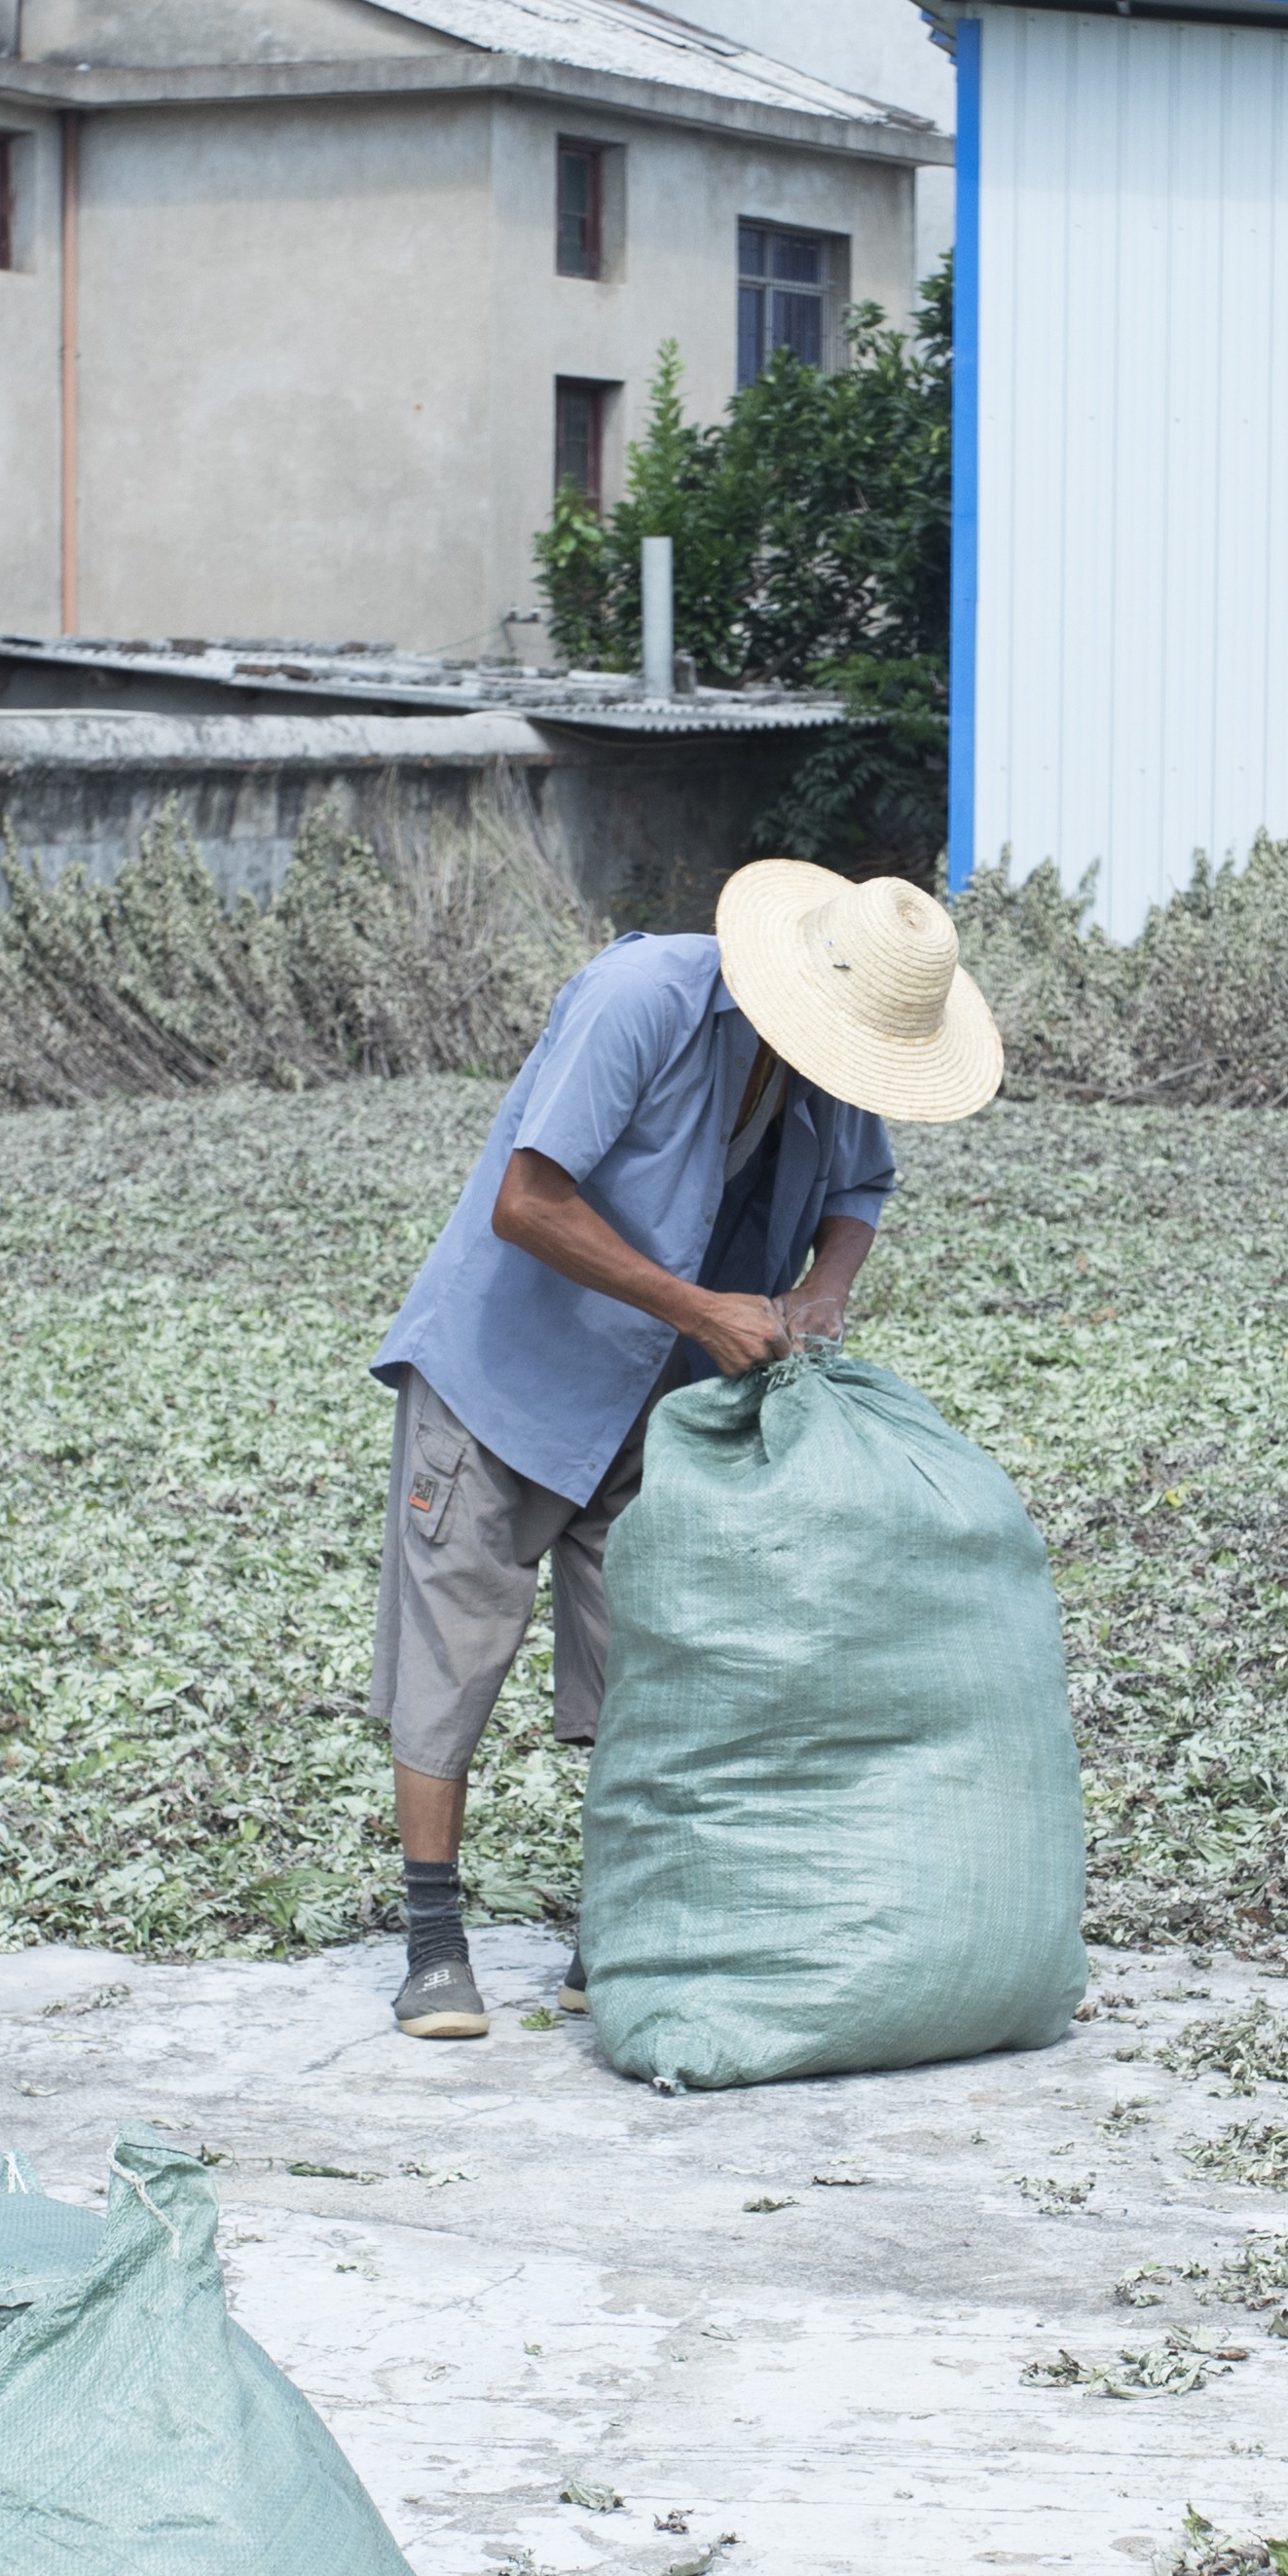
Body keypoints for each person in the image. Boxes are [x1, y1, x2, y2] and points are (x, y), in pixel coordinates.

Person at [363, 858, 1005, 2039]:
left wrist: (823, 1288)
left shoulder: (826, 1068)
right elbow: (527, 1199)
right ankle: (434, 1941)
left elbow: (859, 1188)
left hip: (659, 1398)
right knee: (452, 1649)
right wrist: (698, 1307)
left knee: (652, 1668)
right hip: (504, 1374)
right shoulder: (643, 1000)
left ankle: (613, 1931)